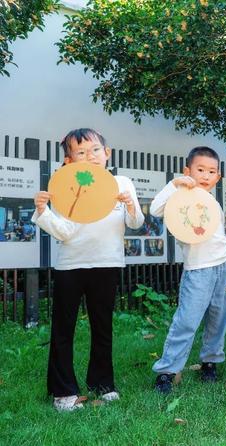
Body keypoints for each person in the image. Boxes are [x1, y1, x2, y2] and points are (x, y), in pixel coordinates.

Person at [32, 128, 144, 411]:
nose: (89, 156)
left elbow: (135, 224)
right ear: (69, 162)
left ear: (107, 153)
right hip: (71, 265)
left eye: (95, 150)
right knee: (63, 329)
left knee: (102, 327)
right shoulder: (66, 187)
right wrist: (44, 213)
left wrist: (131, 206)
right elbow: (65, 232)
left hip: (108, 263)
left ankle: (103, 384)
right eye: (80, 153)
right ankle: (63, 391)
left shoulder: (122, 183)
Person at [150, 146, 226, 394]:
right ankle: (167, 370)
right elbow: (155, 209)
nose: (205, 176)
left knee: (219, 317)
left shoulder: (212, 202)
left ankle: (210, 361)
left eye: (211, 171)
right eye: (200, 170)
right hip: (198, 270)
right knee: (187, 320)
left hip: (223, 268)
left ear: (217, 177)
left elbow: (215, 233)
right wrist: (174, 185)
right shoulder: (180, 198)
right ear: (188, 171)